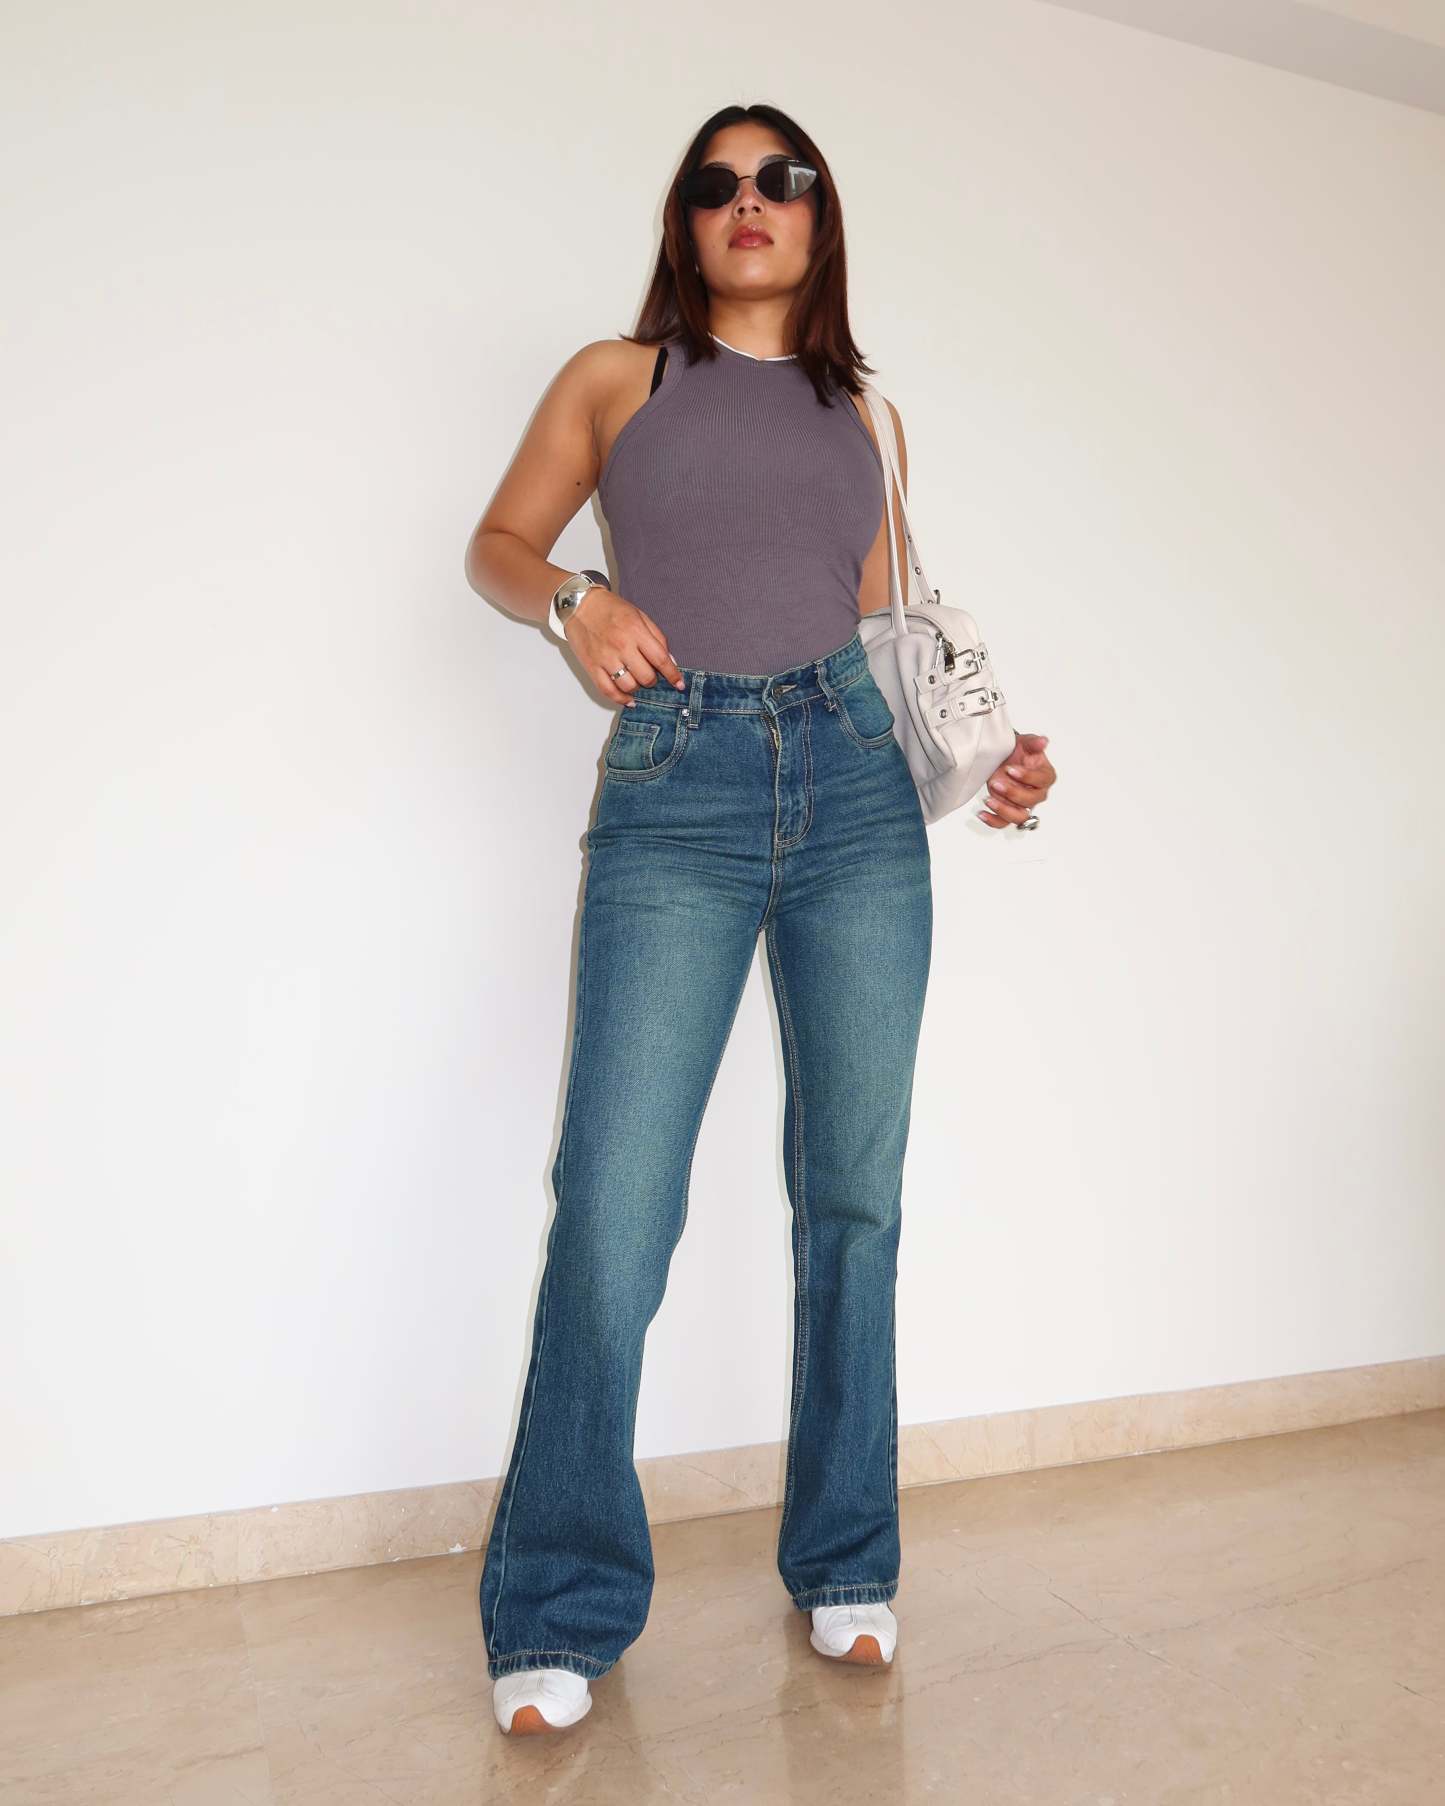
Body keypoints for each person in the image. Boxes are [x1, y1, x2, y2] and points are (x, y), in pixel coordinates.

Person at [462, 102, 1058, 1737]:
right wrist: (576, 598)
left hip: (856, 789)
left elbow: (887, 643)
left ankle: (846, 1556)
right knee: (613, 1201)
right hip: (678, 781)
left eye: (780, 179)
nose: (749, 201)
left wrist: (994, 765)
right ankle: (558, 1602)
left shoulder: (862, 414)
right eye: (717, 182)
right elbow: (499, 544)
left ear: (818, 217)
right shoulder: (618, 378)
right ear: (685, 220)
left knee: (853, 1195)